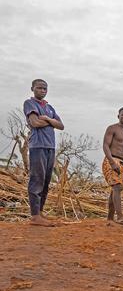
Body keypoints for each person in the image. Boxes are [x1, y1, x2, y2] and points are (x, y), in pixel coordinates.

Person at [23, 79, 64, 226]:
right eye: (39, 88)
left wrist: (47, 118)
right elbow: (34, 123)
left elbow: (61, 125)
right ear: (32, 88)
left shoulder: (49, 107)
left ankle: (40, 212)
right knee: (37, 179)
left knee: (46, 181)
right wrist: (51, 121)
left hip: (50, 147)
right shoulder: (30, 104)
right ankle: (34, 216)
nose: (42, 90)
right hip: (37, 146)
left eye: (45, 88)